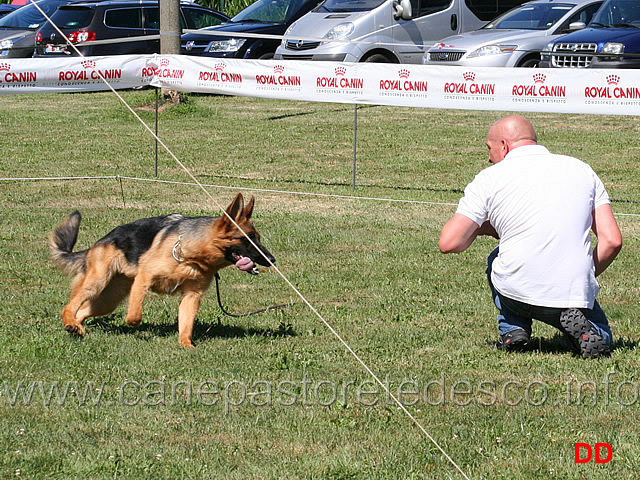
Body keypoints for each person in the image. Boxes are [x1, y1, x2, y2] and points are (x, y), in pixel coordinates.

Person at [439, 114, 622, 359]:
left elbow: (449, 242)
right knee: (602, 336)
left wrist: (482, 227)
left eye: (489, 149)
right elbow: (612, 241)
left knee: (496, 258)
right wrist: (584, 275)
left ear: (504, 145)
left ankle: (513, 330)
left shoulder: (489, 178)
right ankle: (587, 331)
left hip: (517, 290)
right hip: (571, 291)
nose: (489, 157)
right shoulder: (582, 170)